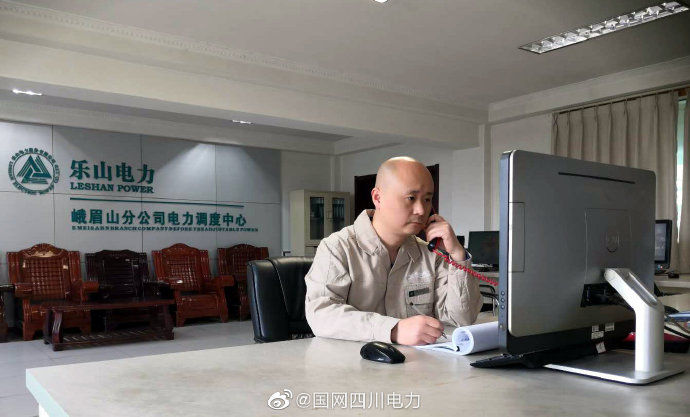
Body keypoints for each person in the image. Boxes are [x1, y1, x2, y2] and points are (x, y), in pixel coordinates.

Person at [304, 156, 482, 345]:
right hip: (352, 361)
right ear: (377, 198)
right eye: (411, 198)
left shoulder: (430, 255)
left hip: (419, 361)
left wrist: (458, 255)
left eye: (427, 199)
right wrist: (393, 330)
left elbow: (460, 319)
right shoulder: (338, 248)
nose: (421, 210)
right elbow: (322, 315)